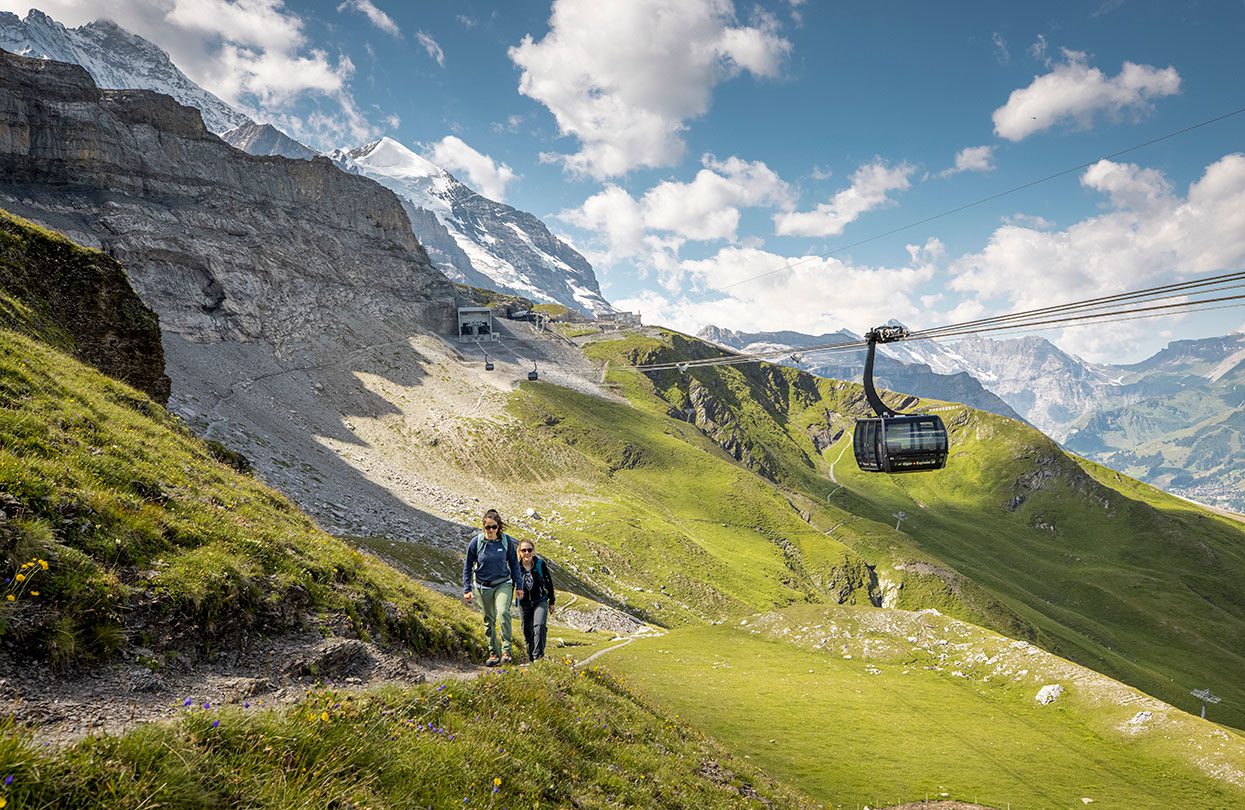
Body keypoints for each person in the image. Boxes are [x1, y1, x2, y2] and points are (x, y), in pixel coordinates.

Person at [462, 509, 524, 666]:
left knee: (503, 612)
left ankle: (506, 652)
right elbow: (468, 566)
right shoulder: (476, 542)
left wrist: (519, 586)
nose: (490, 530)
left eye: (493, 527)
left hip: (503, 583)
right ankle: (493, 654)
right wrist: (467, 589)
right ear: (483, 527)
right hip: (483, 586)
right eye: (487, 527)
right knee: (488, 619)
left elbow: (514, 564)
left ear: (498, 527)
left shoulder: (506, 541)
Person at [516, 539, 556, 662]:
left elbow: (549, 582)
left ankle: (538, 656)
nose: (527, 552)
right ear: (520, 552)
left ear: (533, 551)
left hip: (540, 600)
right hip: (524, 603)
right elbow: (510, 584)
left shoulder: (540, 564)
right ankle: (531, 658)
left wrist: (552, 602)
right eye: (524, 550)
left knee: (539, 626)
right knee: (527, 631)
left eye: (529, 550)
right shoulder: (516, 567)